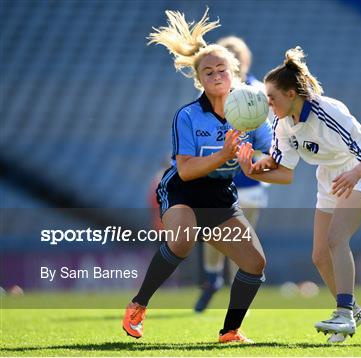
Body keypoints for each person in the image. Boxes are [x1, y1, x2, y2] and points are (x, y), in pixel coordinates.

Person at [122, 9, 272, 343]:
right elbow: (186, 170)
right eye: (208, 72)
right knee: (183, 238)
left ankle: (230, 331)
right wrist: (224, 154)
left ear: (235, 73)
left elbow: (271, 156)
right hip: (182, 192)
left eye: (222, 69)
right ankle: (138, 305)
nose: (216, 75)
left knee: (255, 264)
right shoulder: (188, 116)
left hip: (220, 197)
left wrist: (259, 161)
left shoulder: (251, 113)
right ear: (199, 80)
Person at [237, 47, 361, 342]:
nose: (268, 105)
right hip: (330, 179)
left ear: (292, 94)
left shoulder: (327, 111)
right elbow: (284, 173)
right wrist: (253, 169)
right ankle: (353, 310)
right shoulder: (281, 123)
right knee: (319, 255)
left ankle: (343, 313)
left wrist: (354, 174)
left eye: (272, 98)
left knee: (336, 239)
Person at [194, 36, 271, 313]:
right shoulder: (215, 94)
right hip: (229, 178)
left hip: (244, 179)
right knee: (233, 238)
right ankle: (218, 284)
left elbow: (268, 136)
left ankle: (225, 287)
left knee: (234, 239)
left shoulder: (256, 92)